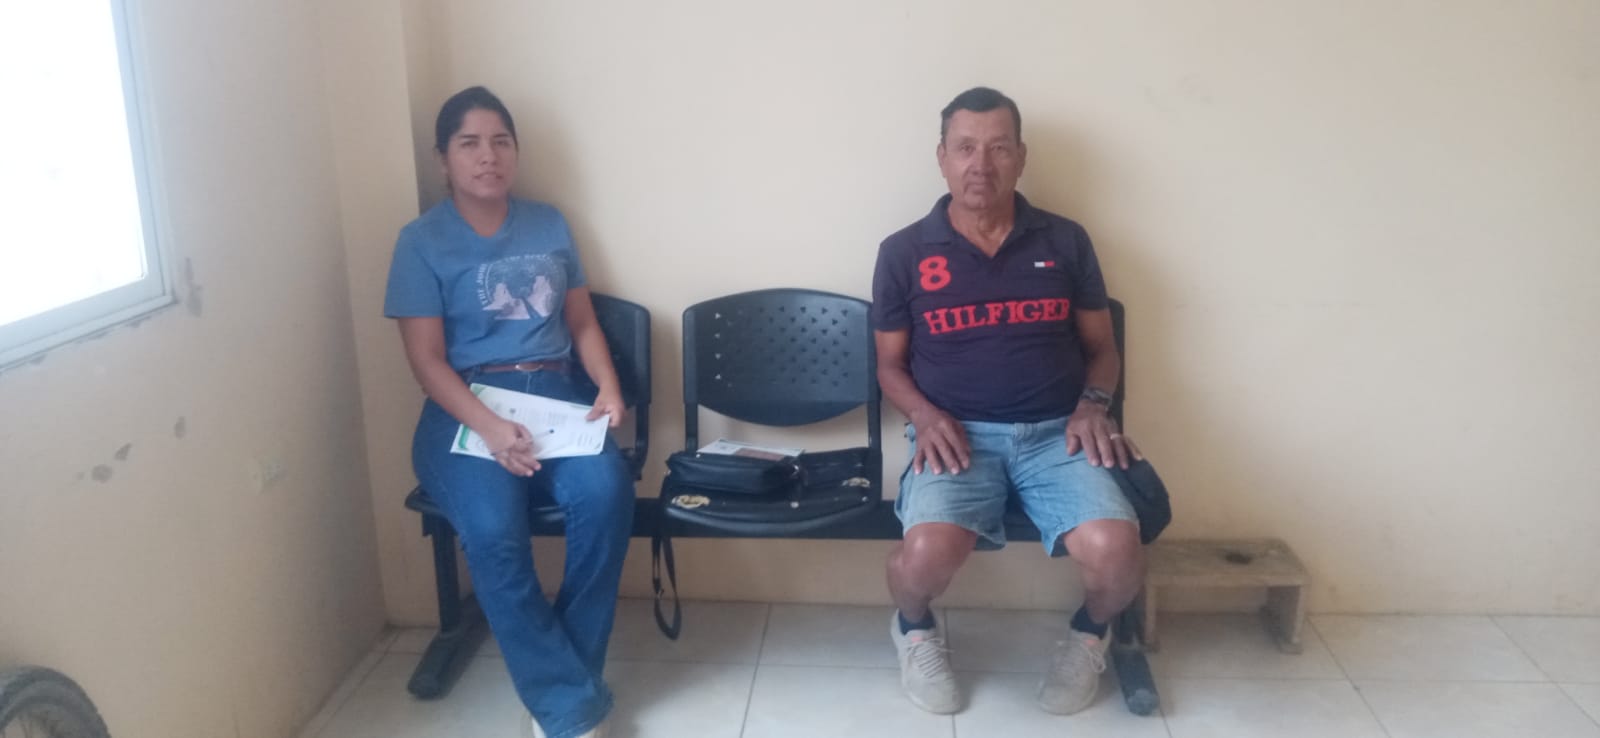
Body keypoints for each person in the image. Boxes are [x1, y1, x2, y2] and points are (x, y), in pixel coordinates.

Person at [872, 87, 1147, 716]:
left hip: (1059, 433)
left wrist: (1093, 404)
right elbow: (889, 365)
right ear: (941, 157)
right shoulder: (904, 252)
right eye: (965, 147)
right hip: (955, 437)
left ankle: (1088, 636)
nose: (981, 164)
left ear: (1021, 157)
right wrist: (924, 415)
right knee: (924, 558)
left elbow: (1103, 349)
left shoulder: (1067, 240)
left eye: (998, 148)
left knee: (1118, 553)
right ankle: (913, 629)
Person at [385, 86, 632, 738]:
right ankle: (571, 707)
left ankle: (563, 689)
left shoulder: (549, 224)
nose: (487, 156)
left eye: (500, 141)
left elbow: (581, 322)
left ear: (516, 152)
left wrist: (608, 388)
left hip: (555, 396)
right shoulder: (420, 242)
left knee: (606, 494)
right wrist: (490, 427)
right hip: (464, 407)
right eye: (469, 143)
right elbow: (426, 361)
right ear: (443, 158)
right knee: (494, 530)